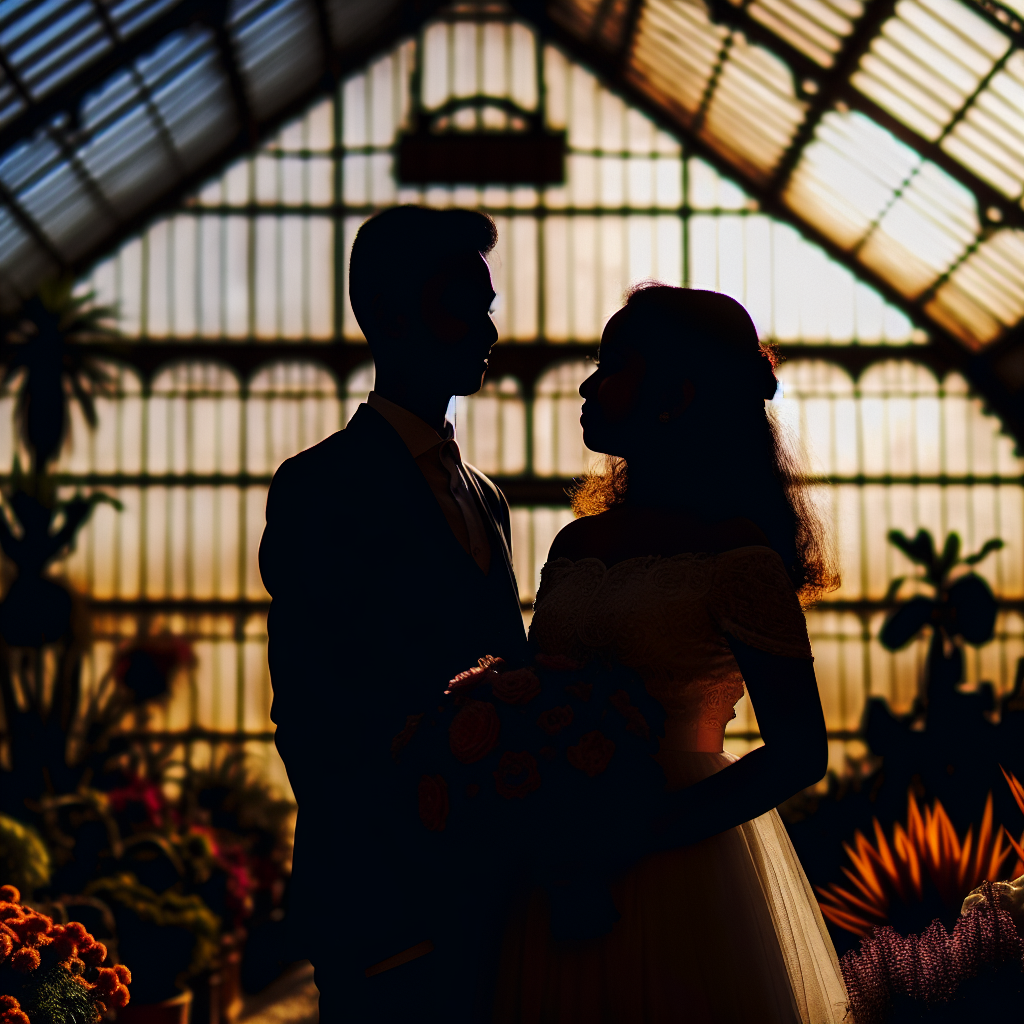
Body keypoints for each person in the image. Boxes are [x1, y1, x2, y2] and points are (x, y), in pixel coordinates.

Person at [492, 285, 851, 1023]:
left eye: (613, 363)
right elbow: (540, 692)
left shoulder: (737, 557)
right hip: (556, 862)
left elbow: (800, 751)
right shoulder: (575, 543)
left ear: (677, 393)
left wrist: (645, 832)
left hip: (685, 862)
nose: (589, 383)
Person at [259, 205, 528, 1022]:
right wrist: (394, 882)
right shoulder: (318, 488)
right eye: (469, 304)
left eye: (491, 305)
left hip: (496, 898)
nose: (490, 328)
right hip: (381, 911)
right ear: (392, 315)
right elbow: (309, 711)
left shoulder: (487, 497)